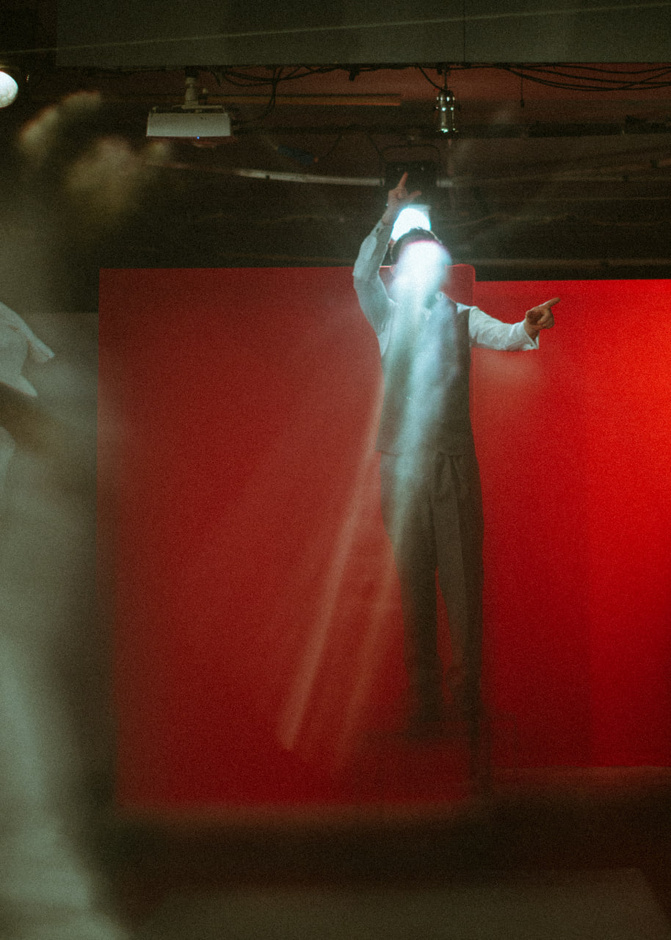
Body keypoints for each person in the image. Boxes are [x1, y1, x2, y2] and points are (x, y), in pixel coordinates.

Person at [353, 173, 558, 737]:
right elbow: (360, 275)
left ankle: (467, 698)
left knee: (464, 582)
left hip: (453, 465)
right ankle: (424, 700)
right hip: (401, 466)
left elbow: (509, 335)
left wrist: (529, 325)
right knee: (414, 582)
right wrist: (387, 215)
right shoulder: (386, 315)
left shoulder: (463, 316)